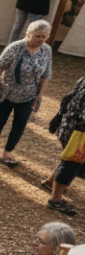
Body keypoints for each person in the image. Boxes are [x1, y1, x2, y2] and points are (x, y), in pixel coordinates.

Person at [0, 19, 52, 167]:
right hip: (7, 91)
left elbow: (46, 75)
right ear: (29, 34)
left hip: (28, 95)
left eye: (44, 36)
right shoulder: (15, 47)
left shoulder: (47, 50)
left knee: (20, 124)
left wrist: (39, 95)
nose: (41, 40)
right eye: (38, 36)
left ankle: (8, 151)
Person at [46, 75, 85, 216]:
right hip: (80, 132)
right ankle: (55, 199)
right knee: (72, 163)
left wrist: (60, 117)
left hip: (68, 125)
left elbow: (67, 99)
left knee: (69, 159)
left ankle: (51, 181)